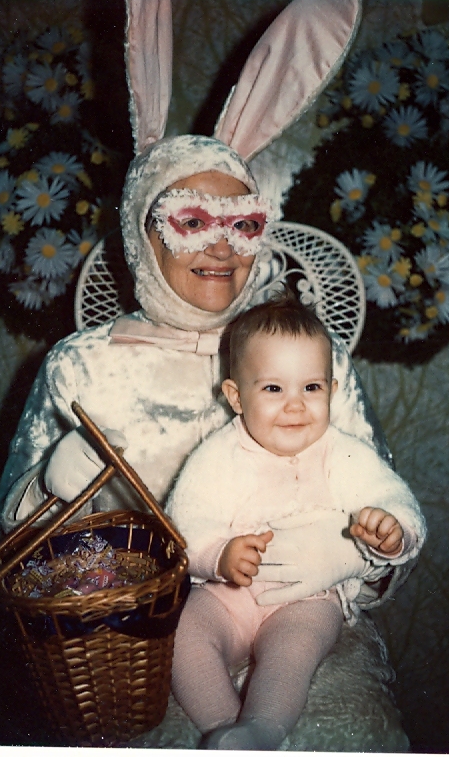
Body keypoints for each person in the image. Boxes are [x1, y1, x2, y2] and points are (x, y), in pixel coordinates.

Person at [0, 0, 415, 750]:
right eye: (190, 221)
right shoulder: (82, 365)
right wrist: (48, 488)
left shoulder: (312, 361)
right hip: (126, 647)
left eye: (241, 225)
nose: (219, 247)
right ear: (140, 230)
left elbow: (382, 512)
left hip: (303, 621)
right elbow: (3, 552)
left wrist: (349, 554)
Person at [165, 293, 426, 750]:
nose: (295, 406)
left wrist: (391, 530)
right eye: (273, 389)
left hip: (306, 597)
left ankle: (263, 726)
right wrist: (218, 555)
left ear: (332, 390)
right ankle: (224, 725)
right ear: (236, 397)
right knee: (184, 636)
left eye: (311, 388)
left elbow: (394, 498)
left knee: (292, 653)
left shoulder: (342, 453)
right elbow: (184, 522)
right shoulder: (218, 455)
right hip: (228, 595)